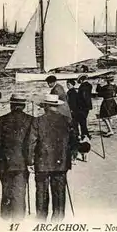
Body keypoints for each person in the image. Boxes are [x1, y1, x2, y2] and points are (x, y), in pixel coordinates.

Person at [27, 94, 77, 222]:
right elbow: (73, 141)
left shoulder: (37, 121)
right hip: (61, 162)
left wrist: (30, 161)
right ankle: (58, 220)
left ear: (45, 106)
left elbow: (31, 142)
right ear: (56, 106)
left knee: (41, 191)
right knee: (59, 192)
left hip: (42, 162)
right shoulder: (67, 120)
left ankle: (41, 220)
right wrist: (72, 155)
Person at [0, 94, 33, 221]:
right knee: (19, 191)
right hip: (22, 163)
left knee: (6, 190)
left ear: (11, 105)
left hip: (4, 162)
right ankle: (18, 221)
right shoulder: (31, 120)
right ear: (23, 106)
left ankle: (6, 218)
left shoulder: (2, 120)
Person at [77, 75, 93, 140]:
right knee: (83, 121)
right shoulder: (89, 85)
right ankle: (85, 134)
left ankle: (85, 135)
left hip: (82, 107)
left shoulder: (83, 86)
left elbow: (84, 96)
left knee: (82, 121)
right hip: (88, 106)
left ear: (81, 80)